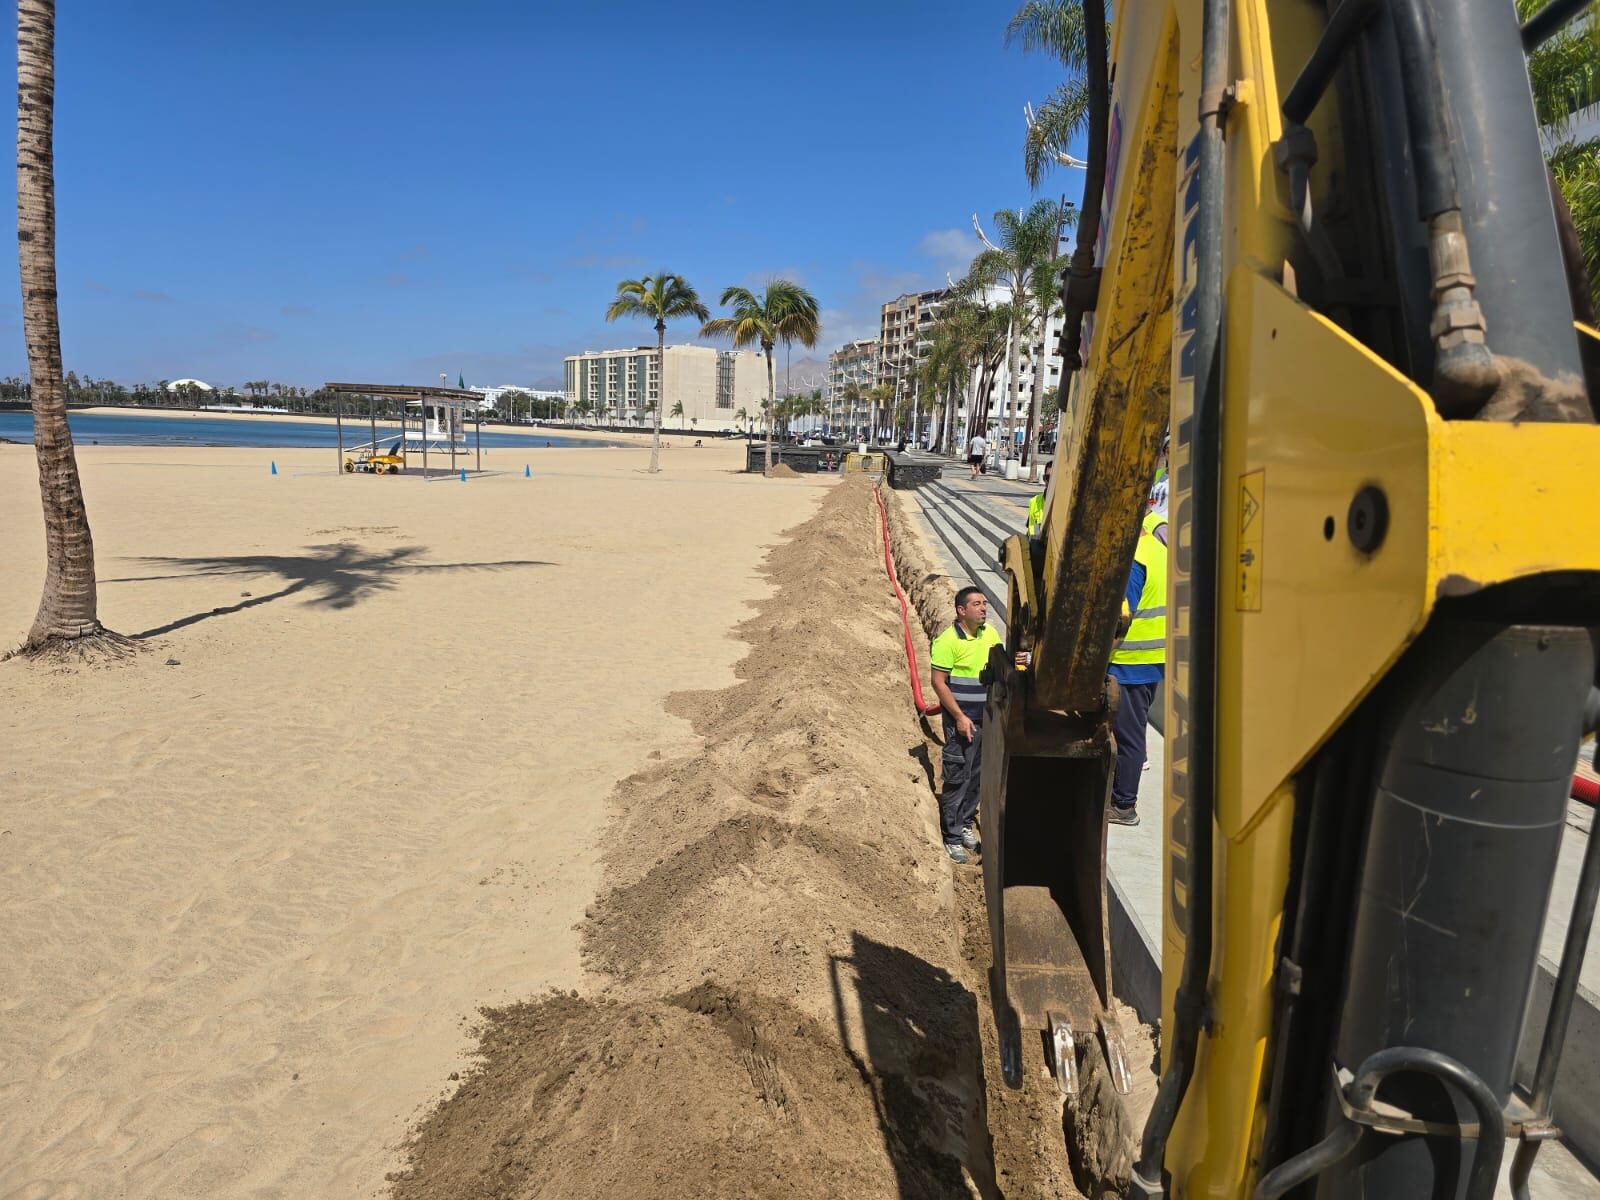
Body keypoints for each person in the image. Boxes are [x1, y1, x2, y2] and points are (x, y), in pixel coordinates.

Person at [929, 586, 1004, 863]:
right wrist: (959, 717)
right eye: (976, 604)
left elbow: (1001, 666)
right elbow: (938, 682)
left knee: (976, 776)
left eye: (984, 603)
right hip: (961, 721)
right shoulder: (948, 641)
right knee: (958, 775)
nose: (984, 608)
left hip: (986, 719)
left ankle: (964, 824)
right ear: (962, 610)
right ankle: (951, 836)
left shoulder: (991, 634)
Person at [1108, 503, 1168, 826]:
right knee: (1134, 730)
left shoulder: (1135, 559)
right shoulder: (1159, 552)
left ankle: (1123, 805)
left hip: (1129, 661)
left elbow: (1123, 615)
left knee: (1129, 735)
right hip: (1153, 659)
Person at [1027, 459, 1053, 537]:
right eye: (1047, 478)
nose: (1050, 482)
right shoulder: (1034, 501)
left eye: (1054, 478)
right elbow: (1033, 532)